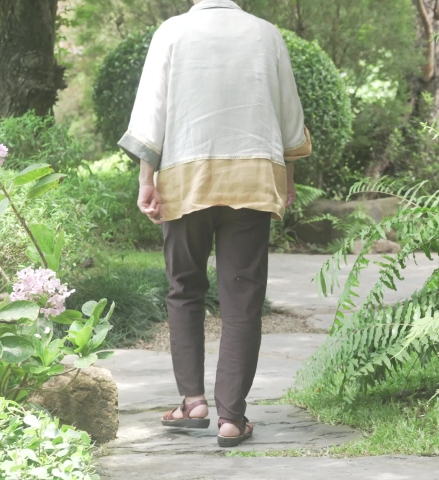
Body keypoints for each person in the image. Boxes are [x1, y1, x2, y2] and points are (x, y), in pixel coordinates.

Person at [117, 0, 311, 448]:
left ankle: (193, 403)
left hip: (185, 179)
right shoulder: (266, 34)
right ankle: (231, 418)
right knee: (241, 297)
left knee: (184, 288)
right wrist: (286, 180)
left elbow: (152, 114)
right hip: (253, 178)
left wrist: (147, 180)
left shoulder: (171, 32)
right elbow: (288, 116)